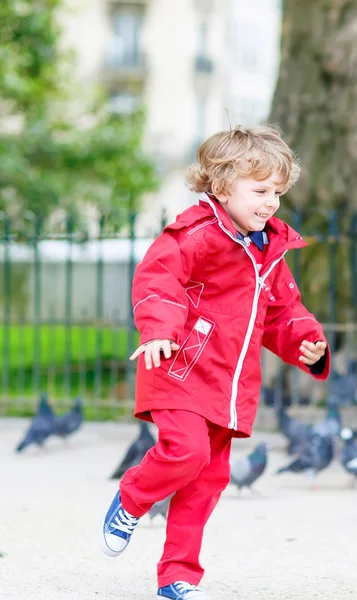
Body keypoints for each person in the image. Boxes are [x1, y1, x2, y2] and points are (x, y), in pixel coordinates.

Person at [99, 125, 330, 600]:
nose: (271, 203)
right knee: (186, 452)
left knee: (207, 480)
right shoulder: (196, 233)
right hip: (180, 365)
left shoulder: (270, 251)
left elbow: (283, 311)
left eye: (278, 193)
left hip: (229, 385)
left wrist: (307, 342)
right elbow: (158, 280)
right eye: (260, 190)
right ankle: (131, 498)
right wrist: (160, 331)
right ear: (222, 187)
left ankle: (177, 579)